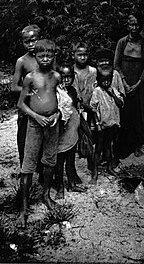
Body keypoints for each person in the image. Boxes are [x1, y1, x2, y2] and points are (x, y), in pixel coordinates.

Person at [17, 39, 61, 228]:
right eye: (41, 55)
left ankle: (46, 195)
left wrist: (58, 114)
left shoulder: (56, 76)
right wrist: (36, 116)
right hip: (35, 125)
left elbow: (63, 100)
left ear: (53, 56)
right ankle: (23, 208)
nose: (45, 59)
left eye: (49, 55)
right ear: (35, 56)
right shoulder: (30, 77)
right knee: (28, 165)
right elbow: (21, 104)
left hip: (52, 124)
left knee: (49, 161)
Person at [114, 14, 144, 158]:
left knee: (140, 113)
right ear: (127, 26)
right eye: (132, 25)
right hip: (124, 82)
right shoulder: (122, 42)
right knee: (126, 113)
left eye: (137, 25)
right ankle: (126, 145)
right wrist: (124, 83)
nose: (134, 28)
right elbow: (116, 65)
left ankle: (138, 145)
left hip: (140, 83)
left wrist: (138, 84)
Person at [11, 25, 41, 167]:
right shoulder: (22, 61)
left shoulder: (47, 57)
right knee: (24, 135)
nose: (30, 44)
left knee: (44, 136)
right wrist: (30, 92)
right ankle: (25, 170)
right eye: (26, 41)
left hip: (44, 103)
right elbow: (14, 86)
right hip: (27, 104)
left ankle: (43, 171)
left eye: (33, 40)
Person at [55, 63, 86, 199]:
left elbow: (75, 108)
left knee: (71, 159)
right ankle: (60, 187)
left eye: (69, 77)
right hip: (61, 131)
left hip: (72, 130)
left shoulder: (73, 91)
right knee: (59, 161)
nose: (66, 80)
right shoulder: (55, 91)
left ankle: (72, 184)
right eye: (63, 77)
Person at [90, 68, 124, 184]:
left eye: (108, 80)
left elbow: (120, 104)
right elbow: (93, 109)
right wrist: (97, 124)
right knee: (98, 149)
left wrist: (113, 94)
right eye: (103, 80)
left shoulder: (114, 90)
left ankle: (109, 168)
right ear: (99, 80)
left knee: (109, 146)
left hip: (112, 124)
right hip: (101, 125)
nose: (106, 82)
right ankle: (94, 173)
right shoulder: (97, 91)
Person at [95, 48, 125, 168]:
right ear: (97, 63)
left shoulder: (115, 74)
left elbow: (122, 92)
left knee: (115, 138)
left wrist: (115, 96)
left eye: (106, 61)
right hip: (101, 114)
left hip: (114, 112)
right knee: (100, 140)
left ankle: (115, 158)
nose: (104, 64)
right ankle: (100, 160)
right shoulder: (95, 73)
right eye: (101, 61)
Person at [72, 41, 97, 127]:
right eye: (79, 55)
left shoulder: (93, 72)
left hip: (91, 111)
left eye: (85, 55)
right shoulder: (69, 72)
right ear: (73, 55)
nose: (83, 58)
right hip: (73, 111)